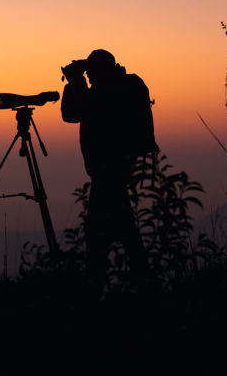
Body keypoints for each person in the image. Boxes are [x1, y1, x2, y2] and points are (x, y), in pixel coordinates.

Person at [61, 49, 156, 291]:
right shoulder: (105, 89)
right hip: (106, 171)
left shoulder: (121, 88)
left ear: (104, 69)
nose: (90, 78)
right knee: (121, 229)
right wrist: (72, 82)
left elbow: (88, 106)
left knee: (99, 232)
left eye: (92, 73)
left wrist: (76, 79)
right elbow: (71, 114)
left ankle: (98, 290)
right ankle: (141, 286)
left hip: (112, 170)